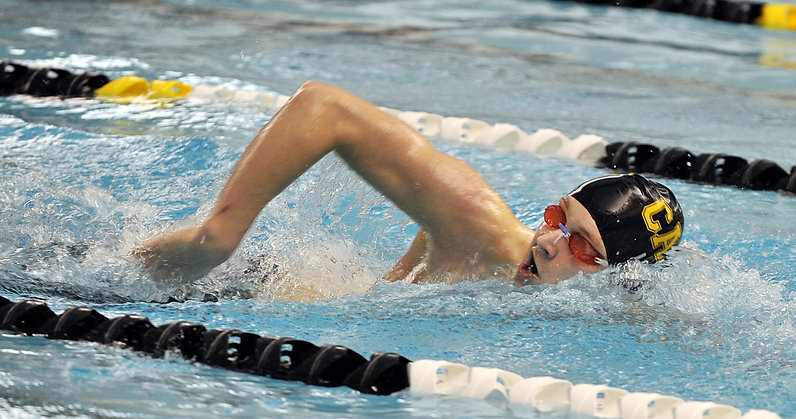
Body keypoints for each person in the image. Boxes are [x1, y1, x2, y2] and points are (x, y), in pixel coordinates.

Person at [133, 81, 683, 287]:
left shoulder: (617, 299)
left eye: (582, 246)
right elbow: (326, 108)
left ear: (617, 275)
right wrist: (221, 234)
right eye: (560, 219)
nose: (549, 240)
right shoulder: (476, 224)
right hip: (236, 288)